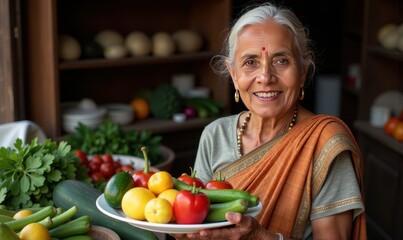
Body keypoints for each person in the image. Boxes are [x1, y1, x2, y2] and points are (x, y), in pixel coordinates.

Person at [172, 2, 367, 240]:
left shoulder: (323, 144)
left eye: (281, 60)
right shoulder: (216, 135)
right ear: (233, 74)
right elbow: (196, 224)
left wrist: (260, 237)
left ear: (303, 70)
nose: (265, 77)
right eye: (250, 62)